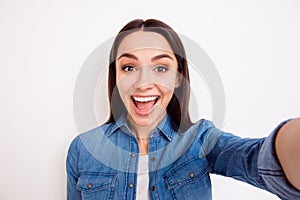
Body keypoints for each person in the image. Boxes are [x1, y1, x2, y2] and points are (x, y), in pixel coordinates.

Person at [66, 19, 300, 200]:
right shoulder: (83, 150)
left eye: (160, 68)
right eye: (129, 67)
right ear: (115, 77)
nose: (143, 83)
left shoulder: (200, 140)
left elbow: (255, 159)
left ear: (178, 78)